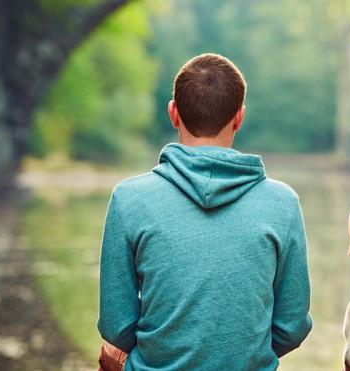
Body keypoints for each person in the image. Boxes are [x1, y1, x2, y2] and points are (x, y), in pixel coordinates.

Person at [97, 53, 313, 370]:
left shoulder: (129, 199)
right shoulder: (283, 203)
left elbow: (117, 326)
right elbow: (292, 327)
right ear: (239, 117)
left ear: (173, 113)